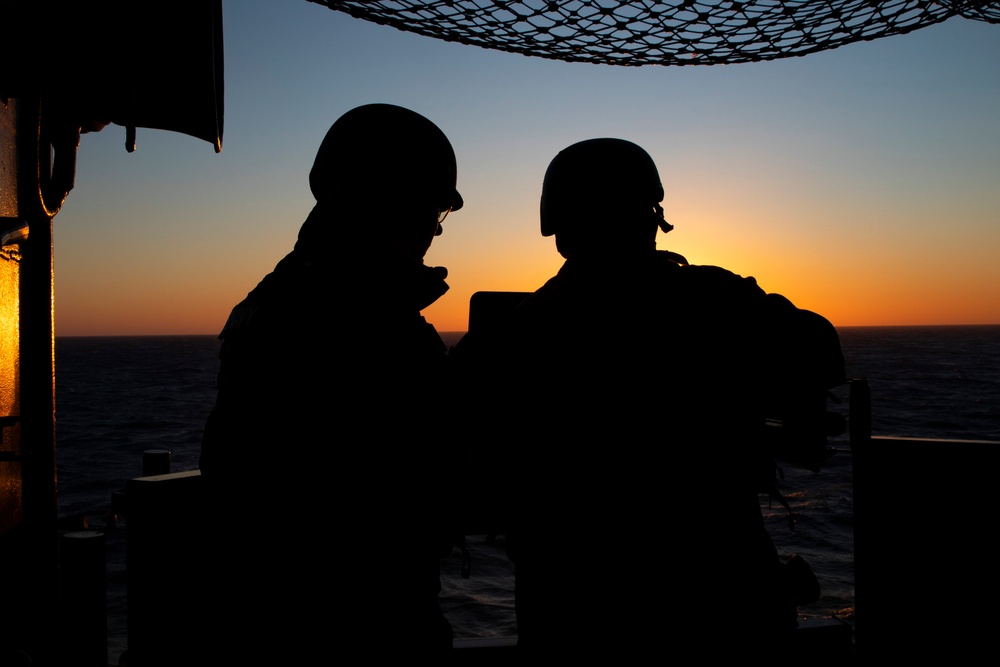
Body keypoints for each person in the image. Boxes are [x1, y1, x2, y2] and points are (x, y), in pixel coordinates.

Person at [451, 138, 845, 660]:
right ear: (652, 214)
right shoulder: (717, 304)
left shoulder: (511, 336)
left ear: (558, 227)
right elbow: (816, 349)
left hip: (574, 613)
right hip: (717, 606)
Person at [198, 103, 464, 662]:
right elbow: (398, 473)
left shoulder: (297, 297)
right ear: (377, 200)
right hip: (352, 629)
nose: (431, 230)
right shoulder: (353, 314)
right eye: (426, 207)